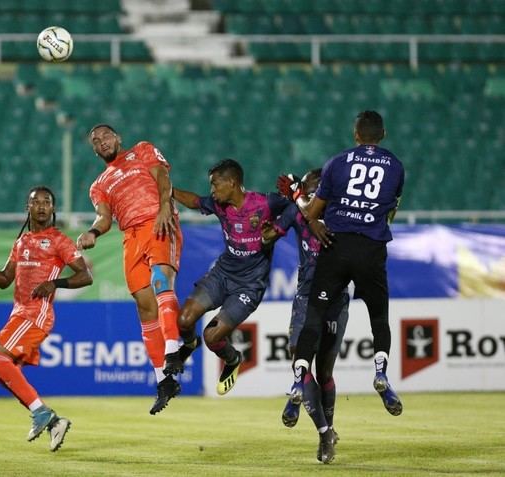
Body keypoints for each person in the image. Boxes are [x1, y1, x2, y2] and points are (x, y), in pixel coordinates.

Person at [290, 111, 405, 453]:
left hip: (336, 246)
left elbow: (311, 213)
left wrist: (299, 196)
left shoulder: (337, 163)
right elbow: (390, 213)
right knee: (379, 317)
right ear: (382, 133)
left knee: (314, 313)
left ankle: (298, 377)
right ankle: (381, 373)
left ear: (356, 133)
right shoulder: (396, 167)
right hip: (371, 249)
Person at [0, 186, 92, 452]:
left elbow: (86, 276)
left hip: (36, 314)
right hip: (19, 314)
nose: (42, 206)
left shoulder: (59, 240)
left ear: (53, 209)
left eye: (47, 202)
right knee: (3, 374)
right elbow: (4, 280)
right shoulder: (21, 242)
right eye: (37, 202)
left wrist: (54, 283)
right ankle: (53, 422)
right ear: (28, 207)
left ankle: (40, 413)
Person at [166, 159, 297, 395]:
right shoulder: (219, 205)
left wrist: (278, 230)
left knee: (212, 335)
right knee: (184, 320)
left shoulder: (264, 203)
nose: (212, 190)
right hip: (222, 274)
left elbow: (294, 206)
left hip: (249, 286)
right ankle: (188, 343)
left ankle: (233, 359)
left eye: (216, 184)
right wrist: (169, 190)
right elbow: (195, 201)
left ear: (232, 183)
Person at [76, 124, 183, 415]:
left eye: (105, 136)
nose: (101, 142)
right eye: (95, 141)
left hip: (157, 221)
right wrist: (93, 233)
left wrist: (164, 207)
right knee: (144, 305)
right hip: (131, 236)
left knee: (162, 280)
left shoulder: (142, 151)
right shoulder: (99, 184)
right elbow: (104, 217)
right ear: (95, 149)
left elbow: (163, 176)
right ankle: (163, 380)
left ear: (117, 138)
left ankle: (174, 349)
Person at [272, 168, 349, 464]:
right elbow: (275, 228)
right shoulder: (299, 211)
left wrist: (297, 193)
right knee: (298, 361)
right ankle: (324, 432)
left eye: (317, 188)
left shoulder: (341, 217)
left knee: (325, 371)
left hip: (336, 300)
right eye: (308, 188)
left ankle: (324, 428)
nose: (312, 193)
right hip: (306, 297)